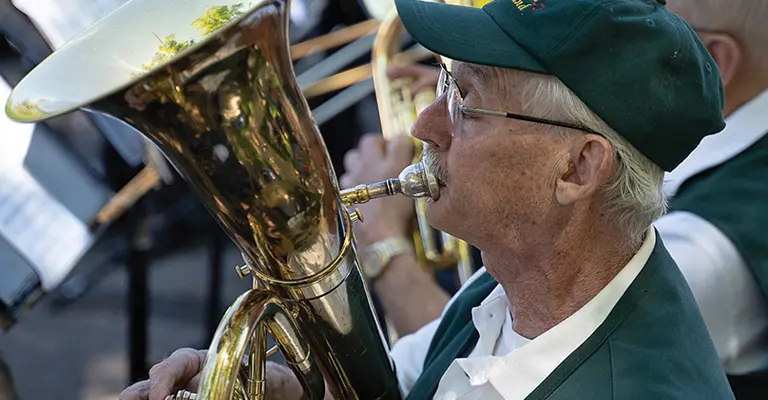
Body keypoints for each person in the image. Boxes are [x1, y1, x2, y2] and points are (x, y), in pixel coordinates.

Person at [121, 0, 736, 399]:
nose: (425, 125)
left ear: (577, 167)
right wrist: (281, 389)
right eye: (446, 81)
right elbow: (406, 383)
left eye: (468, 102)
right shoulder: (511, 284)